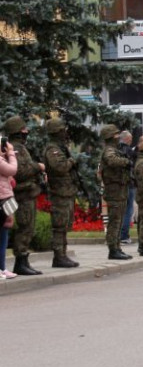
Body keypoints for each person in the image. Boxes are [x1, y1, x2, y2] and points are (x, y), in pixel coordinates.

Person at [5, 116, 45, 275]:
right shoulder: (15, 148)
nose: (26, 132)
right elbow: (20, 172)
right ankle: (20, 262)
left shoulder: (19, 147)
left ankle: (23, 261)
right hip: (22, 193)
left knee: (28, 227)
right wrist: (38, 167)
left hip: (27, 192)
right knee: (25, 227)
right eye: (23, 130)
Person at [42, 118, 80, 268]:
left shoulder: (61, 147)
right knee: (59, 227)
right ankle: (59, 256)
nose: (65, 132)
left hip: (66, 192)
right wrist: (71, 161)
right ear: (56, 132)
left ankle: (63, 255)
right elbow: (60, 167)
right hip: (59, 192)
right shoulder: (53, 149)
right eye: (62, 130)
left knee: (64, 226)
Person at [99, 123, 134, 261]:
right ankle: (113, 249)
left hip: (120, 190)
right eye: (116, 134)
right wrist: (126, 161)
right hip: (114, 191)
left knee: (118, 221)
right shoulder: (109, 150)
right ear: (111, 137)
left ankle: (117, 247)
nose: (118, 137)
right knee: (115, 221)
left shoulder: (115, 149)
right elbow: (112, 160)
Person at [0, 135, 19, 279]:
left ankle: (3, 268)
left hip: (5, 198)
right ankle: (1, 268)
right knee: (2, 234)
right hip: (2, 200)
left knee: (4, 233)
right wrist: (11, 153)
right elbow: (12, 170)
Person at [117, 130, 136, 246]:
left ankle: (120, 235)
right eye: (130, 139)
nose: (131, 140)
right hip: (129, 184)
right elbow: (132, 167)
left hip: (119, 184)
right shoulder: (129, 151)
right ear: (127, 139)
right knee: (128, 210)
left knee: (121, 210)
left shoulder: (115, 150)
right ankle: (124, 236)